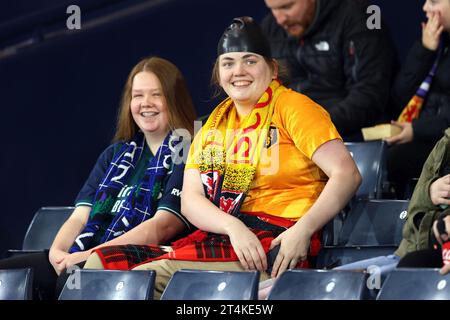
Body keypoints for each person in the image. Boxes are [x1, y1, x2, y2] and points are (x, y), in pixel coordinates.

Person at [84, 16, 361, 299]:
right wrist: (233, 227)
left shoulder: (294, 108)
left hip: (278, 242)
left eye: (250, 61)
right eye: (228, 63)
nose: (238, 71)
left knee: (145, 280)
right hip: (227, 236)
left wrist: (303, 231)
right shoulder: (213, 125)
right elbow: (191, 201)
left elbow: (346, 174)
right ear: (218, 73)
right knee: (99, 264)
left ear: (273, 68)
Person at [0, 56, 197, 299]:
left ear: (174, 100)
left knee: (73, 280)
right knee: (7, 274)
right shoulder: (114, 154)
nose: (146, 103)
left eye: (156, 94)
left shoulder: (188, 150)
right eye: (137, 95)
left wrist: (91, 255)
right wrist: (58, 252)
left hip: (139, 258)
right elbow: (80, 217)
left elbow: (162, 227)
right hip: (85, 252)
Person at [261, 0, 397, 140]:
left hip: (350, 136)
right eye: (273, 9)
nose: (280, 19)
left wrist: (313, 125)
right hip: (295, 134)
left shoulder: (360, 15)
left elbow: (370, 94)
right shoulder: (270, 27)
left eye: (287, 7)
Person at [334, 127, 450, 277]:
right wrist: (428, 192)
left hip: (425, 260)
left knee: (408, 266)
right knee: (330, 280)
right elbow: (413, 210)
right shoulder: (445, 143)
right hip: (408, 252)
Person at [386, 0, 450, 198]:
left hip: (442, 140)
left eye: (434, 2)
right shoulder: (438, 41)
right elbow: (399, 97)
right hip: (430, 136)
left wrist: (416, 130)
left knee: (398, 157)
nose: (425, 8)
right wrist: (424, 51)